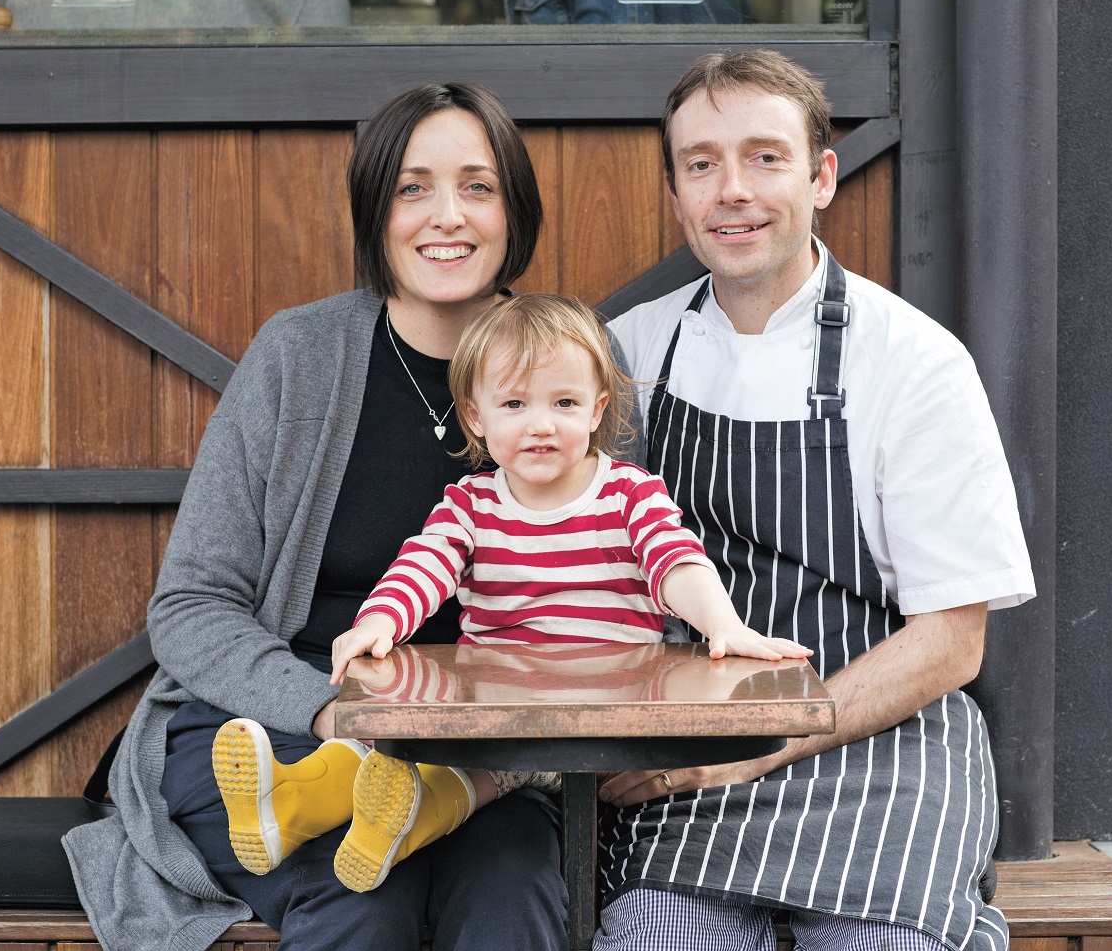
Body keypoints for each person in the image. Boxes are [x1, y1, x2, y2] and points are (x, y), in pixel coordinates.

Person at [62, 83, 573, 951]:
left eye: (477, 187)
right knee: (359, 886)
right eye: (413, 188)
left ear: (514, 211)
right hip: (271, 732)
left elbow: (625, 588)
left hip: (491, 764)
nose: (445, 217)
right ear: (375, 213)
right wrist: (336, 712)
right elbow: (190, 607)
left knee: (518, 891)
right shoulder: (300, 357)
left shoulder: (571, 366)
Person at [595, 50, 1036, 951]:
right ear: (675, 191)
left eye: (765, 157)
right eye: (702, 163)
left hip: (886, 742)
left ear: (822, 176)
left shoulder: (915, 362)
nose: (732, 192)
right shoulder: (629, 357)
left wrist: (755, 752)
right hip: (695, 752)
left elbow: (953, 643)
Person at [212, 292, 812, 898]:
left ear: (598, 408)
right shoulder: (472, 503)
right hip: (489, 706)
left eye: (565, 402)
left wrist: (723, 625)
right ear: (476, 417)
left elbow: (676, 563)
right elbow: (424, 565)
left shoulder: (630, 494)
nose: (542, 424)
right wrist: (381, 620)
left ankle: (381, 816)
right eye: (516, 404)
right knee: (396, 738)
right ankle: (288, 801)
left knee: (484, 769)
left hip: (592, 717)